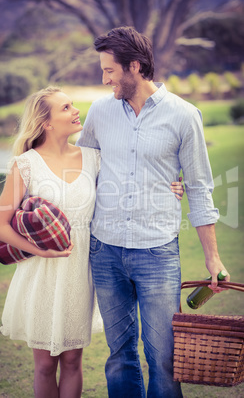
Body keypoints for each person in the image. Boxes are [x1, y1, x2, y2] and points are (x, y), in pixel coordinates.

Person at [76, 27, 230, 397]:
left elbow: (198, 187)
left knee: (163, 357)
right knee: (119, 355)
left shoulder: (184, 115)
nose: (104, 78)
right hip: (106, 249)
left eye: (109, 70)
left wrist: (213, 259)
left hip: (157, 252)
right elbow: (81, 171)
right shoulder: (99, 111)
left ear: (135, 66)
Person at [0, 86, 104, 398]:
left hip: (81, 272)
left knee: (72, 360)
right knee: (43, 365)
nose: (75, 110)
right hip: (41, 273)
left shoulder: (94, 158)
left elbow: (133, 186)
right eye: (66, 107)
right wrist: (41, 250)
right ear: (47, 123)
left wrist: (171, 186)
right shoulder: (26, 164)